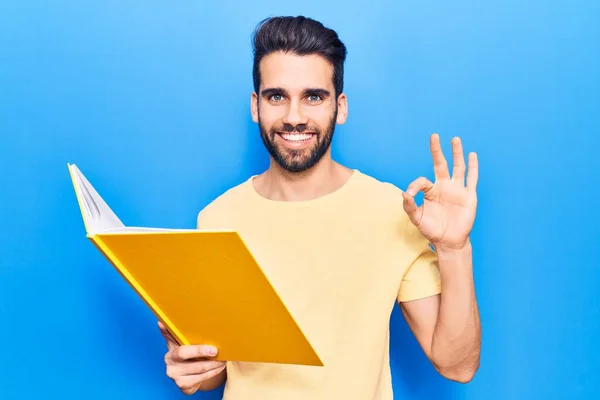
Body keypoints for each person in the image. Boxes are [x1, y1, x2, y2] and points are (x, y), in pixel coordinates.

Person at [158, 15, 481, 399]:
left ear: (340, 107)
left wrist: (454, 249)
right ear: (255, 106)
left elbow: (457, 365)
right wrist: (191, 367)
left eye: (314, 96)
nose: (294, 117)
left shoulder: (392, 211)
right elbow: (219, 370)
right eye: (277, 96)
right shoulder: (217, 217)